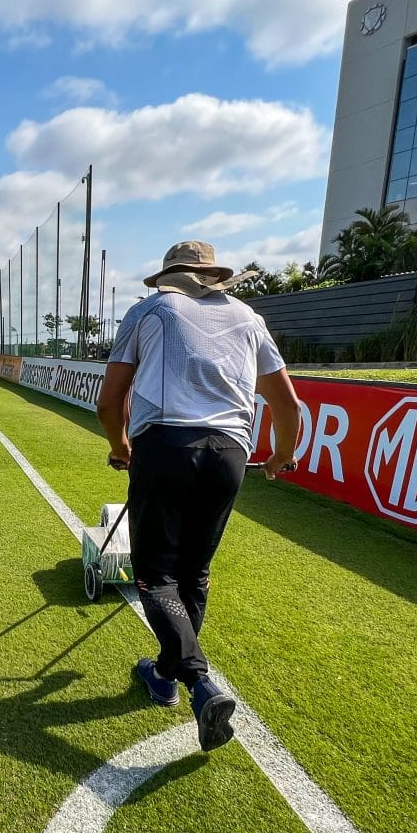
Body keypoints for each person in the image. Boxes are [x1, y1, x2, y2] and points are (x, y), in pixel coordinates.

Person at [96, 240, 301, 751]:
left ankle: (198, 681)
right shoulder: (249, 318)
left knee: (154, 573)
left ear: (170, 276)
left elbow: (110, 399)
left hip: (165, 444)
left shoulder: (149, 309)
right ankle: (164, 676)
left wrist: (122, 448)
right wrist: (280, 457)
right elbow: (287, 404)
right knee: (195, 571)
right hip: (229, 452)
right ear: (213, 277)